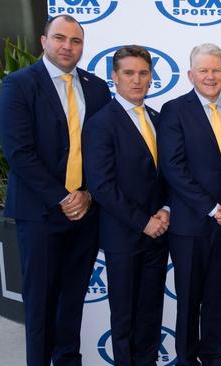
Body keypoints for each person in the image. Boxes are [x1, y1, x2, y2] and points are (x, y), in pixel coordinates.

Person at [0, 15, 110, 366]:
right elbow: (19, 152)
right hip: (41, 214)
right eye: (60, 38)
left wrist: (88, 194)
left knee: (72, 301)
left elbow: (103, 150)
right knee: (42, 303)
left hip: (86, 213)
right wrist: (62, 198)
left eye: (75, 41)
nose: (67, 46)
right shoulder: (19, 84)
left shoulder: (95, 87)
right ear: (44, 41)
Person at [158, 43, 221, 366]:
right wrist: (213, 208)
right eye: (203, 70)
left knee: (217, 298)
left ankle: (213, 358)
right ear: (190, 74)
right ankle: (186, 359)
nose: (210, 77)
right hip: (190, 225)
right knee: (189, 299)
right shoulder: (173, 110)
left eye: (216, 70)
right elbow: (173, 167)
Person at [82, 45, 169, 366]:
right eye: (129, 73)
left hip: (159, 236)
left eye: (143, 73)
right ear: (115, 78)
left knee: (150, 318)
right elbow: (101, 186)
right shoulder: (100, 123)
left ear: (151, 78)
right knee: (124, 320)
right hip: (123, 238)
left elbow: (168, 175)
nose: (137, 80)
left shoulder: (159, 119)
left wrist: (166, 212)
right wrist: (143, 221)